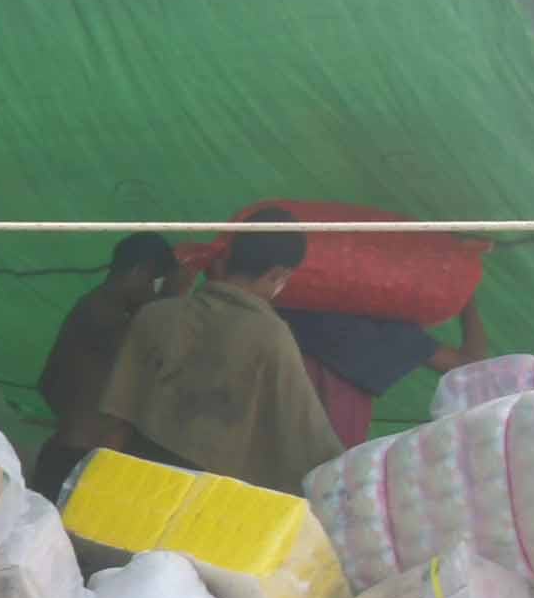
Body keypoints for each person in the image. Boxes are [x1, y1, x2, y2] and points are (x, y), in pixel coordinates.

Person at [57, 211, 347, 495]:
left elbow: (114, 420)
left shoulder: (156, 315)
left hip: (133, 483)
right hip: (202, 501)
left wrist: (95, 491)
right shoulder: (272, 338)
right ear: (278, 274)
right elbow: (309, 437)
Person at [30, 235, 180, 496]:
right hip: (77, 458)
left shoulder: (94, 307)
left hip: (70, 451)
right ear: (139, 272)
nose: (151, 292)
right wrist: (171, 297)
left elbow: (48, 383)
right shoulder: (104, 317)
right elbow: (144, 343)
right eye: (153, 283)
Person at [286, 299, 486, 457]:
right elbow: (470, 365)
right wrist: (467, 300)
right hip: (331, 433)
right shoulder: (395, 331)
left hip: (285, 399)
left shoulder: (303, 293)